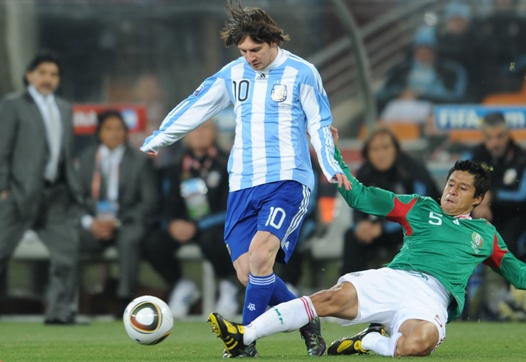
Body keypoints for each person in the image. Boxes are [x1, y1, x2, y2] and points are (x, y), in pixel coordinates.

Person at [140, 0, 351, 357]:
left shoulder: (302, 72)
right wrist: (160, 137)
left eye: (255, 49)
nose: (250, 57)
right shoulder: (235, 72)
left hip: (287, 180)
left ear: (273, 42)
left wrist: (332, 167)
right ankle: (305, 318)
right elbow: (199, 103)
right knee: (248, 274)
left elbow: (318, 123)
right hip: (242, 183)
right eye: (244, 51)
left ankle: (245, 341)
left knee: (259, 258)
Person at [209, 126, 526, 357]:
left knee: (417, 346)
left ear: (479, 198)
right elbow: (359, 196)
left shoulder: (486, 236)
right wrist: (332, 154)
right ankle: (245, 334)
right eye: (450, 183)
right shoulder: (419, 206)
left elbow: (518, 274)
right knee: (328, 299)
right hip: (395, 278)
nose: (451, 191)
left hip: (431, 300)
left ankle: (368, 341)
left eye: (462, 189)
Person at [0, 50, 83, 325]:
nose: (48, 79)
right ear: (29, 76)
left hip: (55, 193)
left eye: (54, 74)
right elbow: (2, 150)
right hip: (18, 192)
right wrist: (3, 188)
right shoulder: (13, 105)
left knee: (66, 254)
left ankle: (59, 312)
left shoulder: (64, 107)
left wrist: (73, 190)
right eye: (43, 73)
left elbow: (65, 154)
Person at [144, 120, 240, 319]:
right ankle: (182, 286)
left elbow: (231, 206)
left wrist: (197, 226)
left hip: (215, 226)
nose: (200, 134)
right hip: (182, 227)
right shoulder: (174, 168)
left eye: (205, 128)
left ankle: (229, 287)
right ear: (185, 134)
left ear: (215, 133)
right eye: (194, 129)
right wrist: (171, 224)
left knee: (213, 239)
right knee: (153, 242)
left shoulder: (228, 164)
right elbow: (166, 202)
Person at [77, 109, 160, 317]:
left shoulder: (140, 161)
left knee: (129, 239)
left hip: (127, 221)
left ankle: (124, 300)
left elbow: (150, 203)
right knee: (68, 237)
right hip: (94, 223)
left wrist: (116, 222)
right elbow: (76, 199)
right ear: (99, 133)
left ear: (126, 133)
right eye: (109, 129)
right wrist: (91, 223)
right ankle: (72, 300)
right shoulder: (86, 160)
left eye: (119, 129)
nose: (115, 133)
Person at [341, 127, 440, 274]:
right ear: (367, 152)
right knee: (351, 236)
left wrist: (382, 229)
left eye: (386, 147)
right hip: (384, 229)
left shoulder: (413, 169)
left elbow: (420, 211)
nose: (381, 154)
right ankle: (352, 289)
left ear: (396, 149)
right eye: (375, 149)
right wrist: (360, 226)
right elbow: (357, 206)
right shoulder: (365, 172)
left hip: (420, 227)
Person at [461, 112, 526, 319]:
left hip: (514, 216)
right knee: (462, 244)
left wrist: (491, 196)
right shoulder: (473, 157)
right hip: (478, 213)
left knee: (505, 243)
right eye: (489, 137)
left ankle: (504, 304)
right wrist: (479, 203)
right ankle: (463, 308)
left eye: (499, 136)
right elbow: (461, 185)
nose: (494, 142)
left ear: (508, 134)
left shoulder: (521, 158)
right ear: (483, 136)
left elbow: (521, 194)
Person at [376, 25, 468, 115]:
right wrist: (399, 93)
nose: (423, 57)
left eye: (428, 52)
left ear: (435, 53)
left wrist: (422, 95)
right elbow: (382, 94)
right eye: (420, 52)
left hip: (433, 116)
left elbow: (455, 98)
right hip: (399, 114)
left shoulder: (450, 71)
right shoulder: (401, 70)